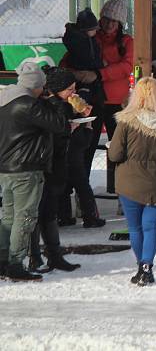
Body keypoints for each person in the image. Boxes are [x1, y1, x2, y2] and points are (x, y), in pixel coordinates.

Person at [107, 77, 156, 286]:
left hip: (128, 181)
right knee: (150, 226)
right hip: (155, 181)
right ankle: (147, 267)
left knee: (135, 228)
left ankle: (140, 266)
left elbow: (114, 154)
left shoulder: (127, 121)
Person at [0, 63, 70, 282]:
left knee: (9, 217)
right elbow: (59, 124)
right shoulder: (28, 104)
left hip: (7, 168)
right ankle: (15, 264)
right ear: (37, 85)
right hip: (26, 168)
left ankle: (3, 260)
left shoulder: (6, 100)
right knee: (25, 217)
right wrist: (57, 101)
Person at [70, 0, 134, 195]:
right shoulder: (89, 37)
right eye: (106, 18)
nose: (109, 24)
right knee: (86, 147)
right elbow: (71, 58)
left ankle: (121, 189)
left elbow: (126, 67)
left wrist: (99, 73)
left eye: (114, 21)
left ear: (120, 23)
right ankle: (83, 191)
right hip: (94, 102)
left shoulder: (126, 41)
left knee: (118, 149)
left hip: (117, 103)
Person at [28, 67, 84, 273]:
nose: (73, 92)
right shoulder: (45, 106)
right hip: (43, 167)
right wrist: (68, 126)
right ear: (57, 89)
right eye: (69, 88)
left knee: (49, 212)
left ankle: (54, 255)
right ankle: (35, 256)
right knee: (37, 212)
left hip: (56, 166)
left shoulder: (62, 105)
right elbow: (54, 131)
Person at [59, 8, 106, 227]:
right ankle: (88, 214)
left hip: (74, 122)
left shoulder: (74, 43)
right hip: (82, 114)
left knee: (66, 172)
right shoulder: (84, 45)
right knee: (79, 168)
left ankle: (65, 214)